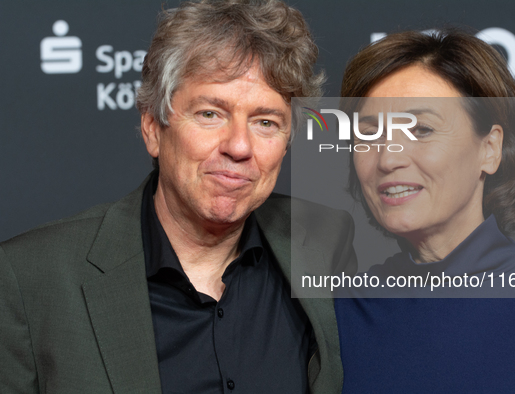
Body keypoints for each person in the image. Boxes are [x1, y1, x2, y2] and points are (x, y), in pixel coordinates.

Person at [0, 1, 356, 393]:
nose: (239, 146)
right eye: (210, 114)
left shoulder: (330, 242)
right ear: (152, 126)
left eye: (266, 122)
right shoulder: (30, 280)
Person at [334, 29, 515, 393]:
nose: (388, 158)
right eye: (369, 133)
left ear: (490, 149)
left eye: (421, 129)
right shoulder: (334, 316)